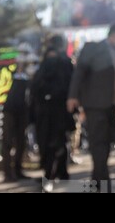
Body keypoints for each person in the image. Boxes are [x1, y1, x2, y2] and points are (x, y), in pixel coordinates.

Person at [66, 23, 115, 185]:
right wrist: (73, 96)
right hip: (95, 103)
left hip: (112, 105)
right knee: (98, 141)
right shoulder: (93, 48)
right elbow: (79, 72)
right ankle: (102, 180)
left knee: (106, 141)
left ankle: (98, 177)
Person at [32, 34, 75, 181]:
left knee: (52, 142)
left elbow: (37, 86)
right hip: (60, 108)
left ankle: (51, 173)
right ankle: (61, 172)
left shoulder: (49, 63)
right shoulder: (67, 62)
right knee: (60, 140)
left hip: (50, 109)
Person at [1, 47, 32, 182]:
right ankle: (7, 173)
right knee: (7, 142)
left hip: (22, 111)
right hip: (9, 111)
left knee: (21, 142)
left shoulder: (29, 75)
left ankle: (18, 170)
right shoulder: (7, 73)